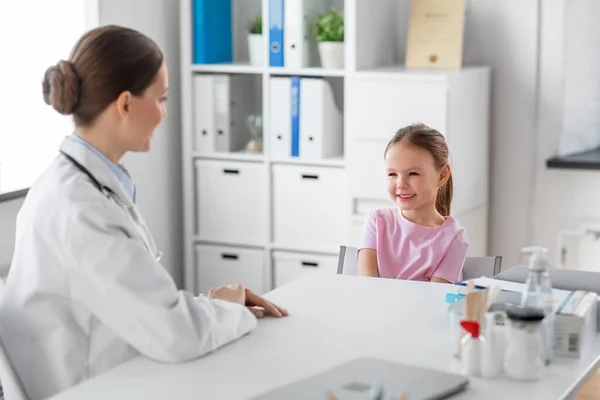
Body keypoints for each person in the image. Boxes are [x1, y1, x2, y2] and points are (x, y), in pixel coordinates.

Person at [0, 25, 287, 400]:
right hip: (88, 388)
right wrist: (232, 312)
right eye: (161, 99)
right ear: (125, 104)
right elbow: (175, 335)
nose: (164, 114)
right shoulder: (80, 209)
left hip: (107, 374)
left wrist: (209, 305)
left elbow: (142, 308)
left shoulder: (72, 184)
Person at [357, 123, 469, 283]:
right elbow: (368, 287)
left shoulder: (455, 238)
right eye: (392, 174)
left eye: (413, 173)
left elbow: (434, 298)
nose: (401, 184)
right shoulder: (376, 222)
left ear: (442, 175)